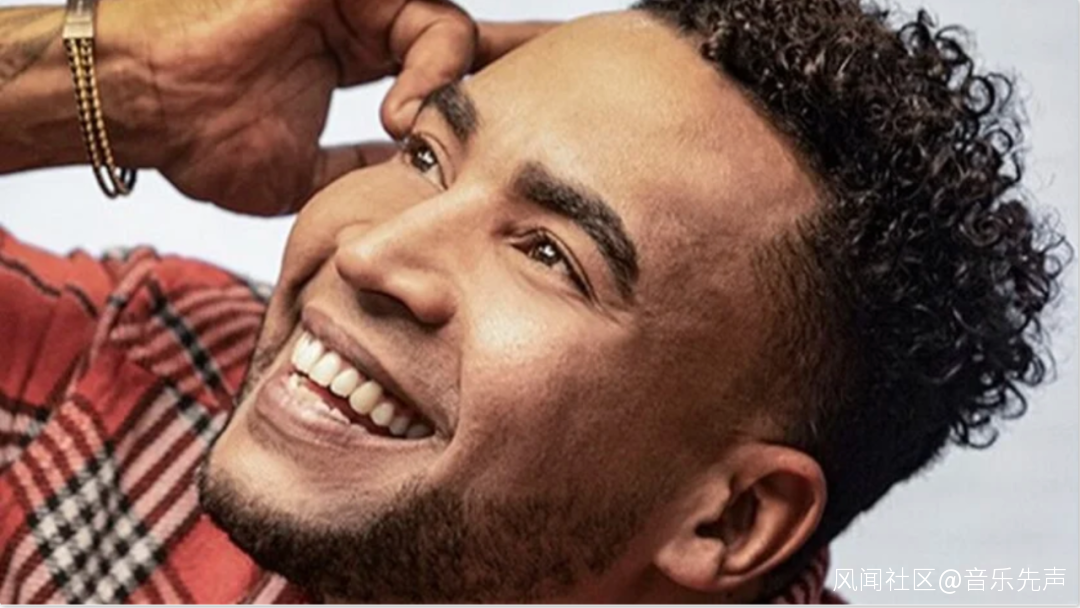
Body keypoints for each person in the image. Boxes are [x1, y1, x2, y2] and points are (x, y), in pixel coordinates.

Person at [0, 0, 1067, 603]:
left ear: (731, 518)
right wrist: (122, 84)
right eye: (428, 155)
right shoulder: (135, 380)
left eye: (551, 254)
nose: (370, 250)